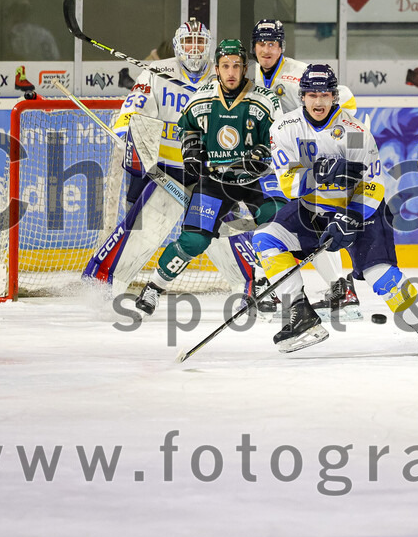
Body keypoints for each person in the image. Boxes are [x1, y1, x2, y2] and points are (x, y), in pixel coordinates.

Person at [252, 65, 418, 353]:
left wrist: (351, 216)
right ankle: (301, 314)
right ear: (302, 96)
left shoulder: (352, 131)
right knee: (266, 239)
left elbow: (373, 183)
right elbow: (288, 184)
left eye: (325, 94)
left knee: (381, 274)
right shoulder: (284, 128)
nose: (319, 101)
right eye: (312, 94)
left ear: (334, 97)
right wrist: (322, 172)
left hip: (358, 211)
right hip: (311, 209)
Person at [84, 21, 265, 301]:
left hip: (210, 173)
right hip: (165, 171)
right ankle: (100, 286)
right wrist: (125, 131)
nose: (195, 48)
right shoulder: (157, 73)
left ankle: (253, 286)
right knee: (139, 233)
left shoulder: (224, 76)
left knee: (226, 234)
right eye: (189, 42)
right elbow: (132, 110)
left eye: (200, 43)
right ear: (179, 45)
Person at [133, 40, 285, 317]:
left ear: (245, 68)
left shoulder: (266, 99)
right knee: (194, 241)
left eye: (236, 66)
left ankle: (263, 283)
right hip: (216, 179)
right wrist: (190, 151)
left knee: (276, 220)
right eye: (225, 66)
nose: (231, 72)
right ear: (216, 68)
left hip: (257, 178)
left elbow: (280, 138)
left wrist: (263, 151)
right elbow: (188, 128)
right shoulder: (201, 97)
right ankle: (154, 287)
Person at [250, 19, 362, 322]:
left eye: (272, 43)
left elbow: (346, 98)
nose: (267, 49)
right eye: (261, 44)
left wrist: (330, 132)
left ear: (282, 46)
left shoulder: (299, 72)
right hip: (279, 160)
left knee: (308, 219)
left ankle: (341, 286)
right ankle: (283, 285)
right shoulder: (251, 77)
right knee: (275, 221)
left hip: (313, 161)